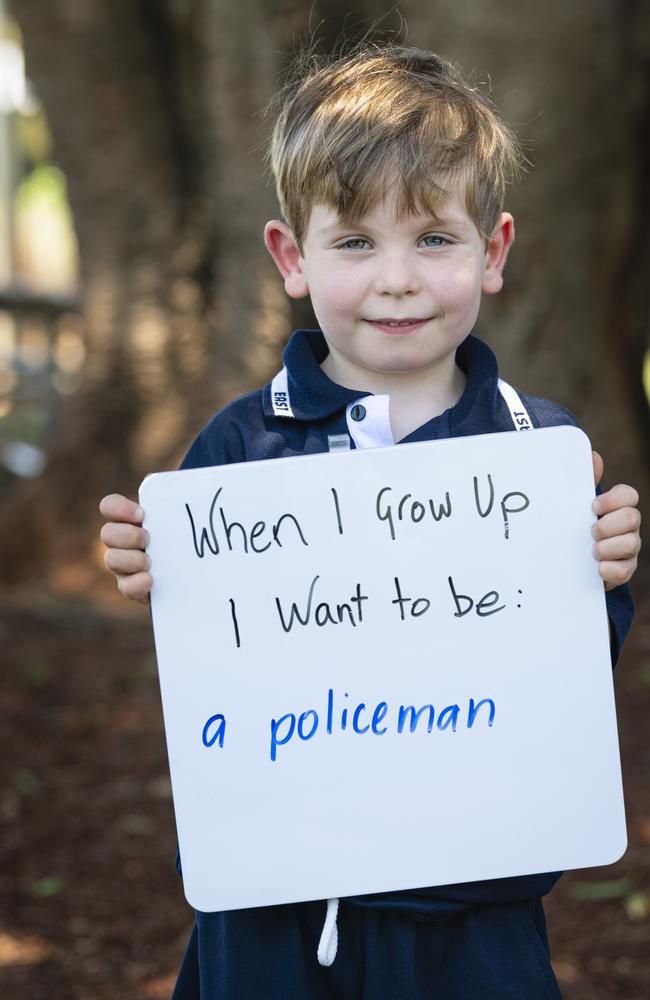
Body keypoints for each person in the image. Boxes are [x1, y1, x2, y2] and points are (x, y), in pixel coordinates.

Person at [99, 45, 640, 1000]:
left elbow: (566, 683)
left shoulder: (540, 450)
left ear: (495, 251)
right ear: (291, 257)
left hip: (473, 919)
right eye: (354, 242)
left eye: (434, 239)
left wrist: (603, 574)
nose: (397, 278)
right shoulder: (236, 447)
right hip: (273, 921)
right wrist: (156, 570)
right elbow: (214, 666)